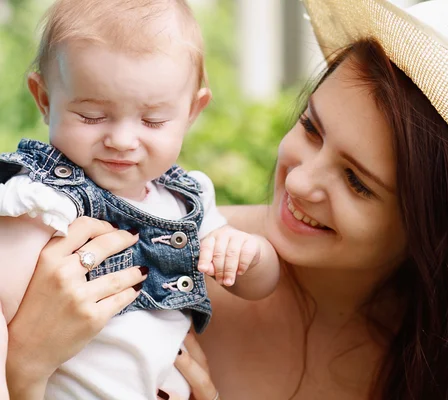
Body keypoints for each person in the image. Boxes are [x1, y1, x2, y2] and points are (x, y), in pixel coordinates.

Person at [6, 0, 448, 399]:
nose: (303, 182)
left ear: (433, 227)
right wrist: (27, 369)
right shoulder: (176, 263)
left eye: (357, 182)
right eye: (311, 128)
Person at [0, 0, 280, 399]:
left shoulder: (186, 201)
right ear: (44, 99)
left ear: (192, 111)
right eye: (92, 115)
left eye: (152, 121)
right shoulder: (42, 201)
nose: (122, 140)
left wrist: (249, 253)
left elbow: (260, 286)